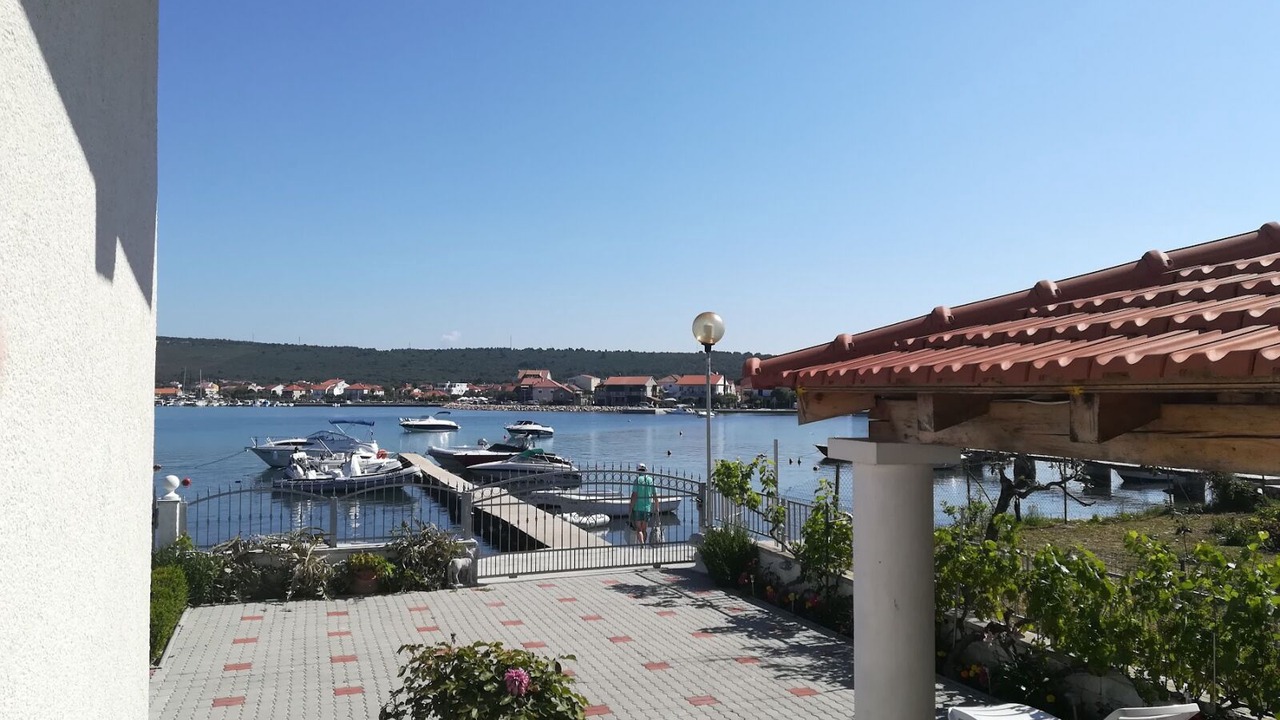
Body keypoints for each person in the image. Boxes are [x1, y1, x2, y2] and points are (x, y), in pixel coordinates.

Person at [629, 462, 655, 544]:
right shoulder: (650, 480)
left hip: (637, 508)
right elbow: (655, 495)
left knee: (639, 529)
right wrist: (657, 506)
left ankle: (642, 544)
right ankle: (644, 543)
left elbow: (634, 495)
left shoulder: (637, 481)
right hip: (647, 508)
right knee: (644, 529)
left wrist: (630, 507)